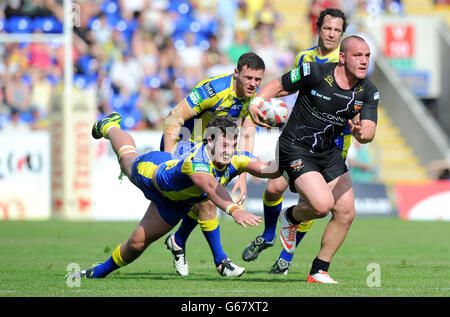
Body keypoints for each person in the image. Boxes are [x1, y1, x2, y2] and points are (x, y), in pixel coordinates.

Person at [65, 115, 280, 280]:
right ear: (209, 140)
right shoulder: (196, 161)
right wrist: (235, 210)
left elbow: (267, 168)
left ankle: (96, 273)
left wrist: (293, 157)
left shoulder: (235, 157)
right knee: (127, 158)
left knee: (137, 244)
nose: (229, 151)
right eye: (224, 145)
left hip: (175, 204)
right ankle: (109, 126)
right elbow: (212, 188)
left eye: (233, 145)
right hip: (152, 173)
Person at [248, 35, 379, 283]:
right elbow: (278, 85)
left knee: (346, 212)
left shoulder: (369, 91)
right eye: (357, 55)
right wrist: (257, 101)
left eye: (367, 56)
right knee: (321, 206)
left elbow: (370, 129)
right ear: (342, 57)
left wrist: (364, 133)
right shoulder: (315, 71)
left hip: (328, 153)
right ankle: (291, 217)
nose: (364, 61)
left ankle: (318, 270)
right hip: (295, 147)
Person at [242, 8, 350, 275]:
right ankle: (268, 235)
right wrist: (273, 109)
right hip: (299, 137)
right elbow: (291, 85)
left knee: (312, 201)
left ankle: (285, 257)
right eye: (328, 28)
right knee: (273, 188)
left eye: (337, 30)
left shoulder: (346, 61)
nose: (332, 34)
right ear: (318, 28)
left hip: (330, 145)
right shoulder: (305, 57)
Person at [161, 52, 265, 276]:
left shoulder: (251, 96)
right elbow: (173, 118)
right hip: (185, 141)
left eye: (258, 80)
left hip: (213, 147)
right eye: (248, 78)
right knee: (209, 197)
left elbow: (247, 131)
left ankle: (178, 241)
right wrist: (167, 160)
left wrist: (243, 178)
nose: (253, 84)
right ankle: (221, 261)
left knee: (202, 198)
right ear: (236, 73)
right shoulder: (214, 90)